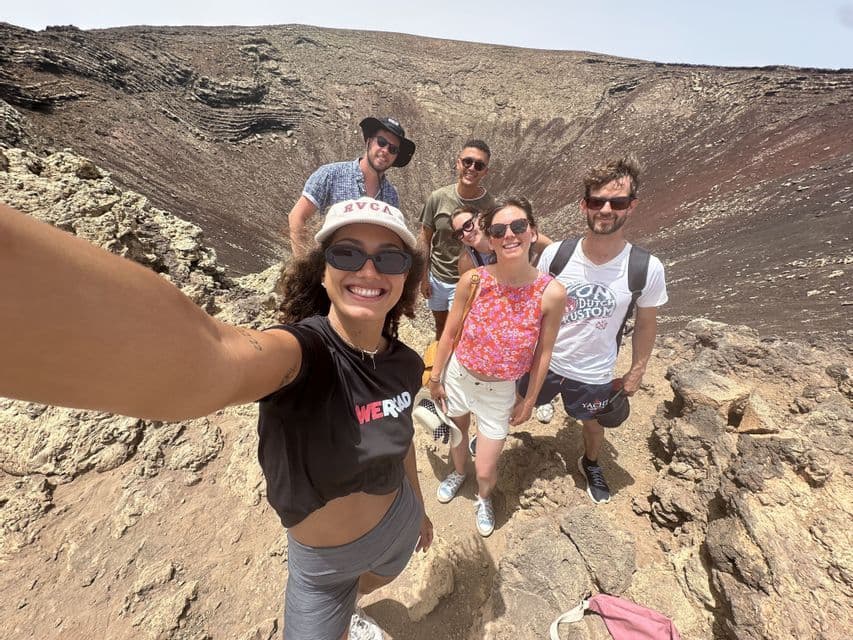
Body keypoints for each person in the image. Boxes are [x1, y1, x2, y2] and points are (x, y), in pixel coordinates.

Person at [0, 197, 433, 640]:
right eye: (347, 253)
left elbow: (403, 437)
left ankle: (352, 608)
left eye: (389, 258)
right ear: (322, 271)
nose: (368, 270)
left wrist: (417, 509)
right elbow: (213, 358)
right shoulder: (302, 355)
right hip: (322, 567)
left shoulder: (405, 363)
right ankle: (344, 613)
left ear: (405, 276)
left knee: (383, 574)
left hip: (396, 522)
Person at [518, 157, 668, 505]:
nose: (606, 209)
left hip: (594, 370)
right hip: (545, 360)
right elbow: (534, 306)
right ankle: (494, 436)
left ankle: (591, 462)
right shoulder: (557, 255)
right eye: (597, 201)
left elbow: (646, 323)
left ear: (631, 207)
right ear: (584, 205)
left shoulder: (645, 267)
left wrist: (637, 370)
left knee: (592, 423)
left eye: (616, 202)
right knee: (517, 400)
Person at [427, 197, 565, 537]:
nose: (509, 235)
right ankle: (458, 473)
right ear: (491, 236)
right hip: (459, 376)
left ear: (532, 232)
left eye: (518, 227)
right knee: (457, 439)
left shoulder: (551, 293)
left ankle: (482, 495)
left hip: (499, 391)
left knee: (487, 468)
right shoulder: (473, 280)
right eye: (499, 230)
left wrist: (530, 399)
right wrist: (435, 376)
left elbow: (543, 353)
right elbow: (450, 333)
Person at [287, 117, 416, 257]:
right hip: (332, 269)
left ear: (396, 156)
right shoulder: (331, 174)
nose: (385, 150)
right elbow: (297, 217)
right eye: (381, 142)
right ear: (369, 141)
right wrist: (304, 266)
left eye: (393, 149)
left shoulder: (391, 195)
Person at [418, 140, 495, 340]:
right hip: (437, 278)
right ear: (458, 163)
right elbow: (425, 238)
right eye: (467, 162)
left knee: (459, 330)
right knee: (440, 326)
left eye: (479, 165)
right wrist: (423, 276)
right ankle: (438, 366)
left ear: (485, 171)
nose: (472, 168)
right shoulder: (437, 198)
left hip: (467, 280)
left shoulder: (489, 205)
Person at [452, 205, 555, 278]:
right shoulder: (467, 262)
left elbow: (551, 247)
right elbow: (471, 292)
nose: (466, 234)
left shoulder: (509, 234)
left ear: (479, 217)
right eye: (459, 233)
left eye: (468, 225)